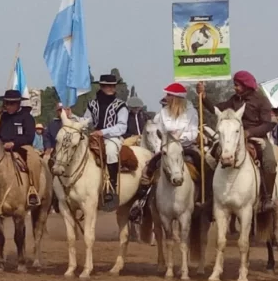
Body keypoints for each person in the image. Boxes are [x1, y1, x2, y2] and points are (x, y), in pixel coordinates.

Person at [197, 70, 276, 211]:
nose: (235, 88)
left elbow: (268, 124)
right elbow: (217, 110)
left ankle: (267, 198)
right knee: (209, 158)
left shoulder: (261, 101)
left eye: (237, 85)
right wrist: (204, 98)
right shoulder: (234, 100)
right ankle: (210, 197)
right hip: (232, 138)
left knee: (270, 161)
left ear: (246, 85)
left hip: (257, 137)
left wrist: (249, 132)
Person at [134, 82, 206, 201]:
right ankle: (141, 202)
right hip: (166, 148)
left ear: (175, 98)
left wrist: (179, 137)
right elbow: (157, 132)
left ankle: (205, 197)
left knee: (204, 165)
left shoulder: (192, 112)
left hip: (186, 148)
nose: (165, 97)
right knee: (147, 170)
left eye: (168, 95)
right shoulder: (162, 113)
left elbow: (193, 134)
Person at [0, 90, 41, 206]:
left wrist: (14, 143)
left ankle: (32, 190)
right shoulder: (1, 118)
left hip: (21, 147)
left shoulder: (27, 117)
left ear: (18, 104)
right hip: (1, 148)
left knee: (34, 160)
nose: (8, 106)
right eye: (6, 103)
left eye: (11, 103)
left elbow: (29, 137)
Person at [80, 74, 128, 210]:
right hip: (95, 136)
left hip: (113, 137)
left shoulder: (120, 105)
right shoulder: (92, 104)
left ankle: (111, 186)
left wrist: (103, 132)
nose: (110, 88)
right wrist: (71, 117)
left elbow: (122, 127)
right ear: (101, 86)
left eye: (112, 85)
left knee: (111, 151)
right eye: (107, 85)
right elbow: (86, 120)